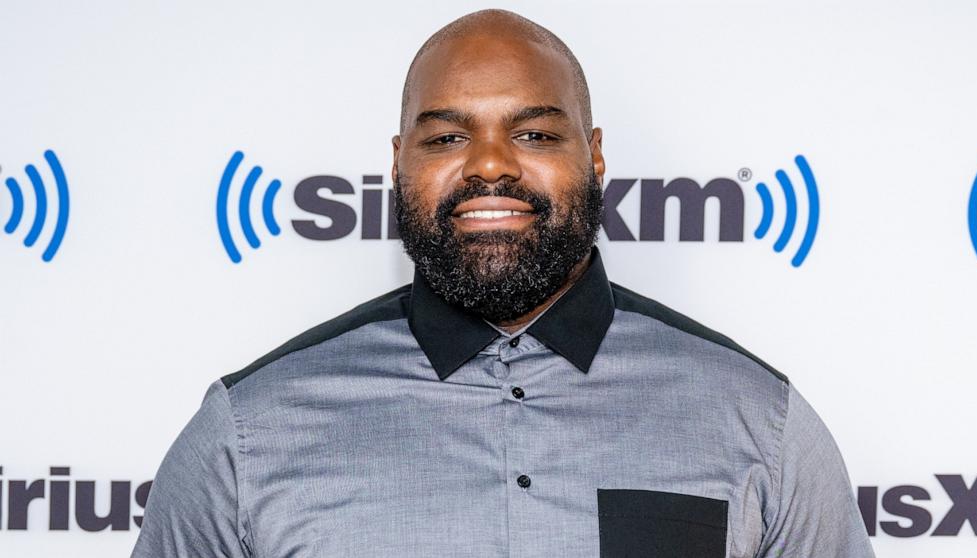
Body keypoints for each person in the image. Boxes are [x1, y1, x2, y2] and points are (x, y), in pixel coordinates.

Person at [132, 9, 874, 558]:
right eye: (448, 136)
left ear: (596, 158)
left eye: (535, 134)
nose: (490, 165)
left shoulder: (759, 422)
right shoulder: (249, 433)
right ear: (398, 164)